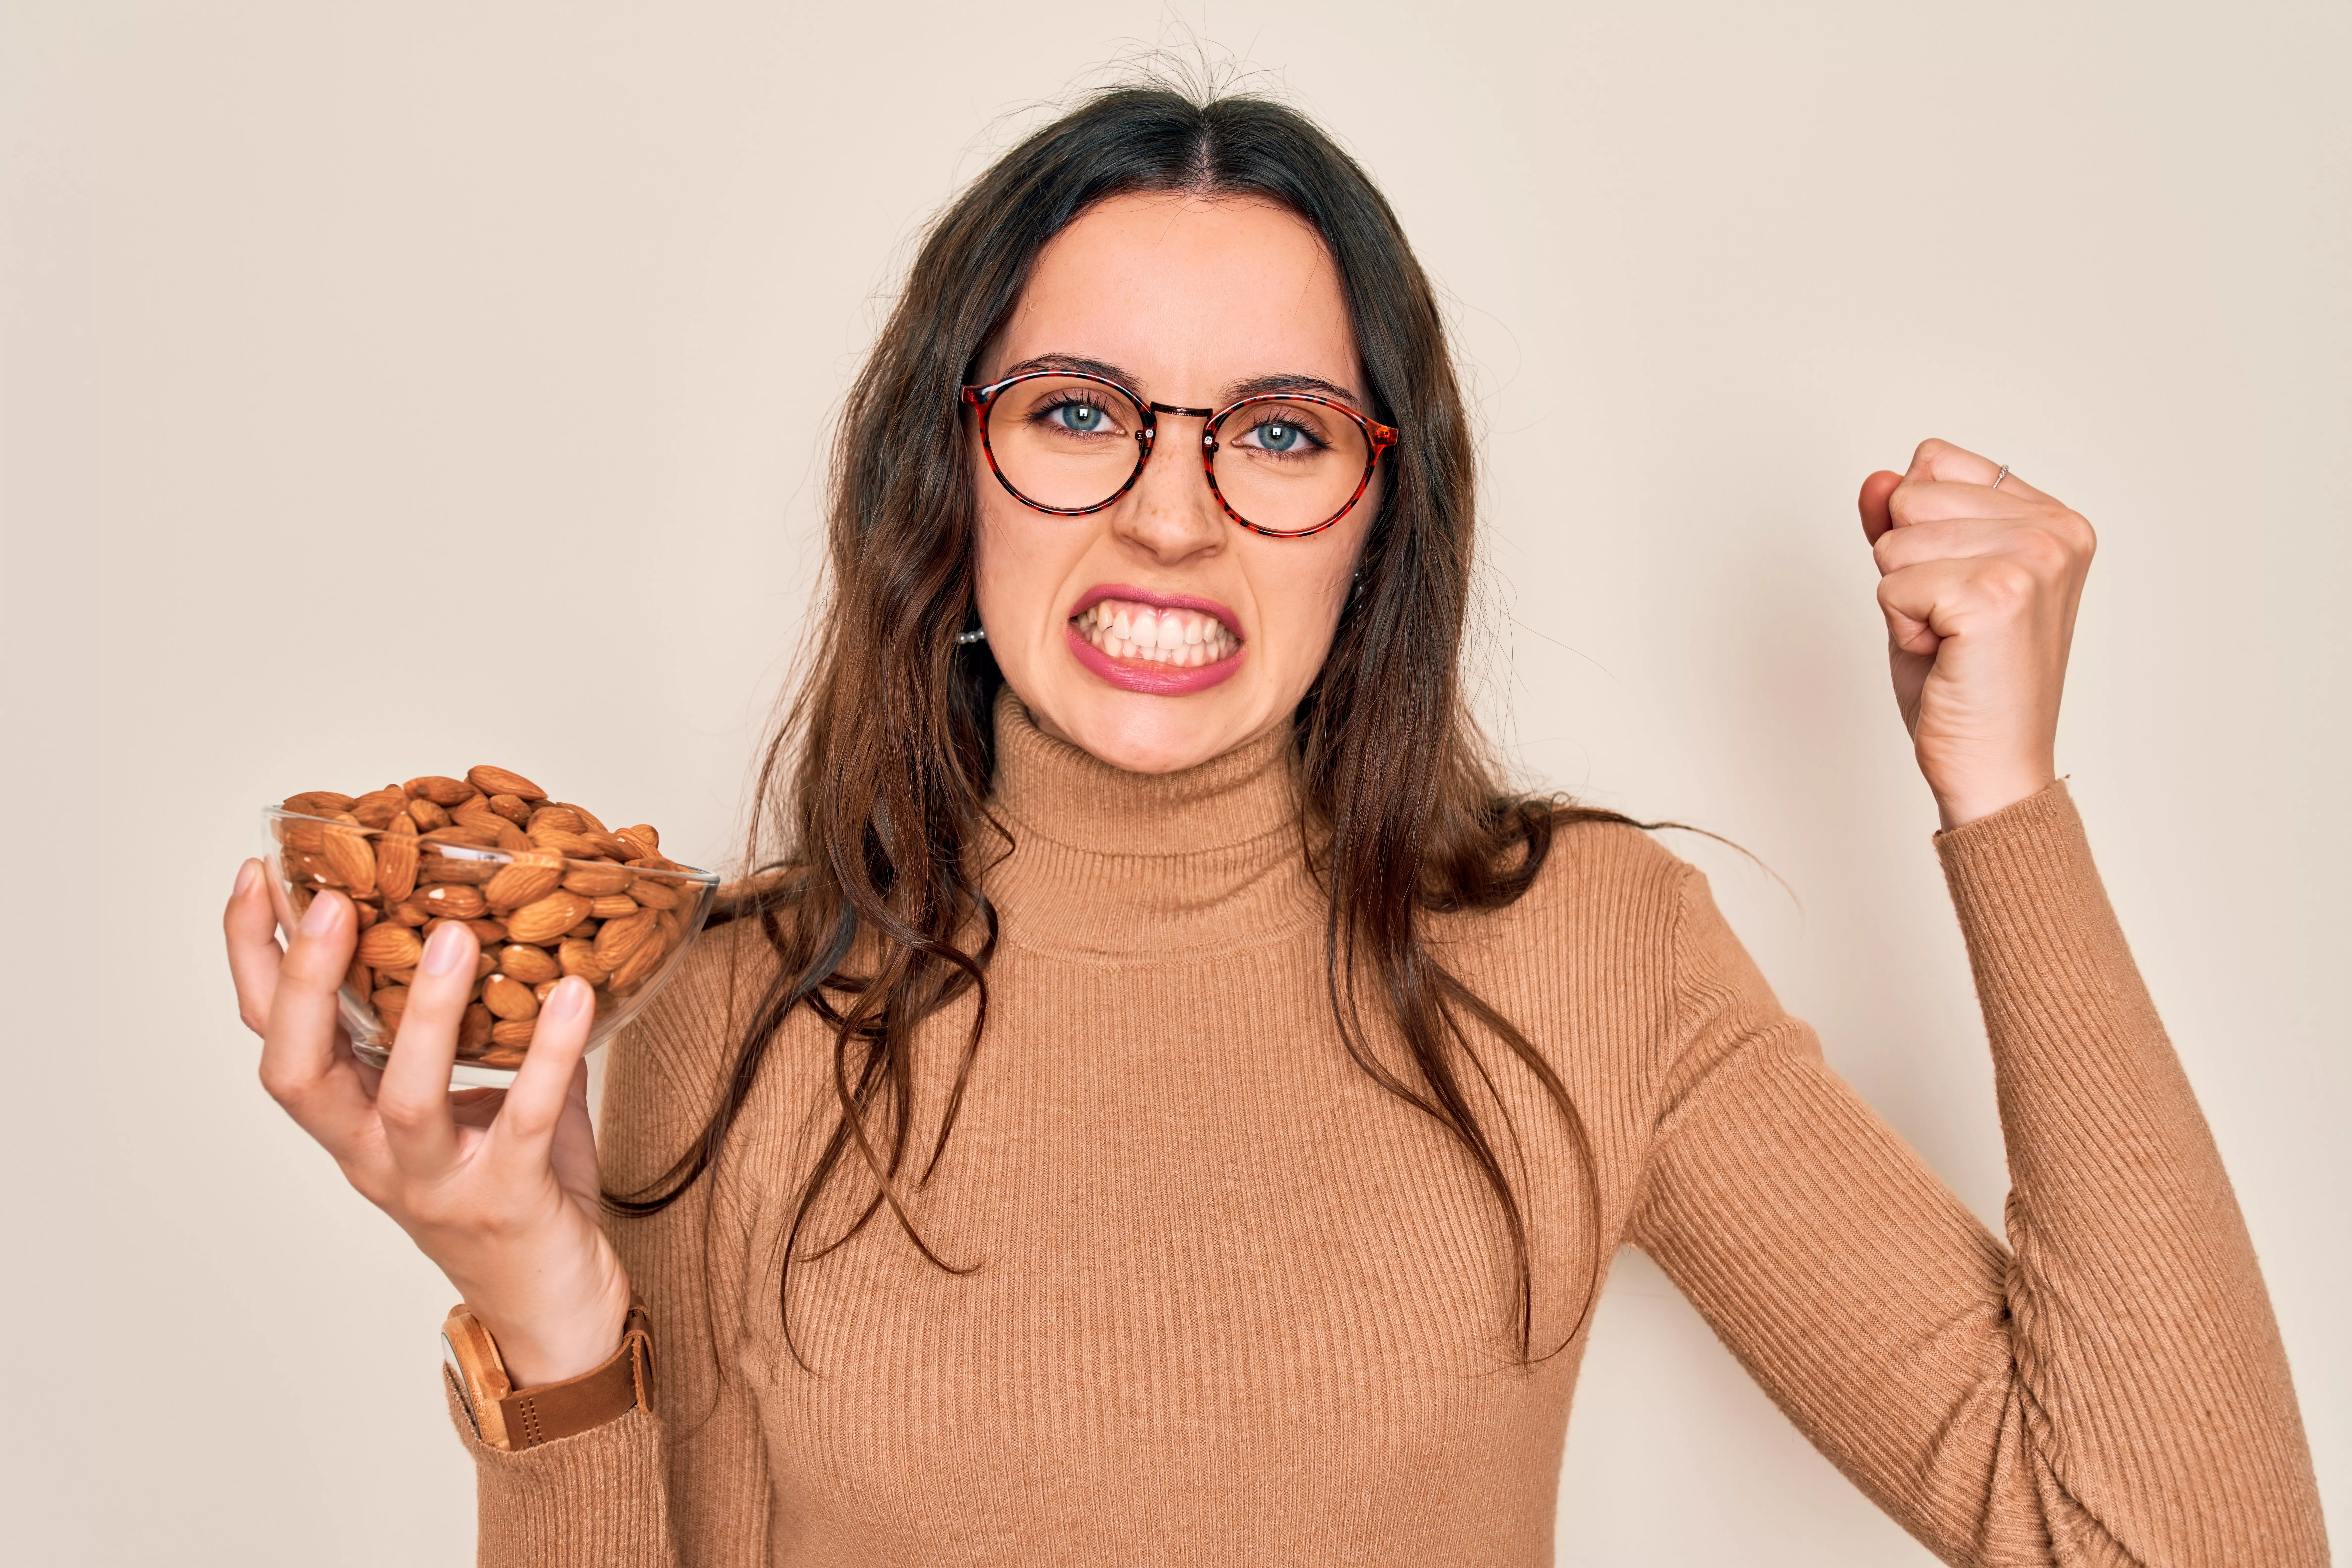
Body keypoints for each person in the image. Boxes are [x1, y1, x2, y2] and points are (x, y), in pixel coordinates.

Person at [222, 84, 2327, 1566]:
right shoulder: (721, 1006)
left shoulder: (1584, 946)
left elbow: (2169, 1544)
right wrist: (549, 1322)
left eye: (1281, 434)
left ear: (1376, 520)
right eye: (1076, 413)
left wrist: (2004, 801)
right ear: (943, 484)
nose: (1170, 505)